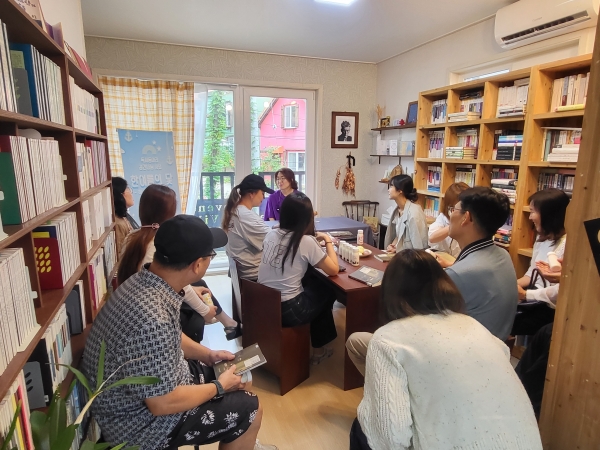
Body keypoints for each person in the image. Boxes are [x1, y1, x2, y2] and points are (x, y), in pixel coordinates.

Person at [83, 215, 277, 450]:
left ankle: (244, 438)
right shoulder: (153, 317)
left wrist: (208, 355)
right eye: (210, 256)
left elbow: (170, 338)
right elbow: (162, 403)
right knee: (252, 408)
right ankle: (245, 430)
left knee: (241, 377)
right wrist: (219, 387)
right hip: (142, 426)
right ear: (197, 265)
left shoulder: (145, 282)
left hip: (150, 393)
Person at [350, 249, 542, 450]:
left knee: (363, 426)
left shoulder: (387, 339)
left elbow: (391, 438)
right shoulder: (477, 327)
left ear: (390, 293)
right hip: (527, 444)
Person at [118, 184, 241, 341]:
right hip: (152, 306)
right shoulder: (156, 245)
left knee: (198, 284)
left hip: (141, 300)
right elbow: (175, 279)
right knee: (195, 289)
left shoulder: (133, 236)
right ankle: (227, 323)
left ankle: (228, 323)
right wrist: (204, 311)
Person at [258, 192, 339, 364]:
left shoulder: (271, 234)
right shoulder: (306, 241)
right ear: (307, 218)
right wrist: (327, 240)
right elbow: (334, 269)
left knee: (314, 287)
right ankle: (318, 350)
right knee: (328, 290)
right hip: (289, 309)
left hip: (265, 303)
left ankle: (319, 346)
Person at [438, 186, 518, 340]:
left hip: (466, 350)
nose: (450, 215)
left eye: (453, 210)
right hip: (496, 346)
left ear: (466, 217)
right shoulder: (503, 255)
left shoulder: (459, 274)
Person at [512, 188, 569, 336]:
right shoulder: (542, 238)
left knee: (501, 319)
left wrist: (526, 294)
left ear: (549, 214)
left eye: (533, 212)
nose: (530, 217)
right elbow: (531, 273)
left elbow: (558, 293)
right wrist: (510, 286)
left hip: (549, 306)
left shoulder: (569, 245)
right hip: (533, 297)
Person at [223, 174, 273, 280]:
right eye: (262, 193)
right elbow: (275, 239)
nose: (264, 197)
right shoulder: (245, 216)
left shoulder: (233, 210)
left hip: (242, 274)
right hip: (254, 277)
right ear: (252, 194)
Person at [383, 174, 428, 253]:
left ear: (400, 190)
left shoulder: (414, 213)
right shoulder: (397, 210)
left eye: (391, 186)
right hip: (402, 255)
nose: (388, 190)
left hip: (413, 257)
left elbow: (418, 247)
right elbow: (399, 235)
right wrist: (393, 246)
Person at [428, 182, 469, 257]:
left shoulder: (472, 221)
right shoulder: (443, 217)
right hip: (446, 257)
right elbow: (432, 238)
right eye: (453, 208)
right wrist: (454, 224)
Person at [112, 176, 139, 256]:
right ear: (120, 195)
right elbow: (120, 255)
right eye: (128, 189)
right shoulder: (118, 223)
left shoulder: (123, 216)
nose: (131, 193)